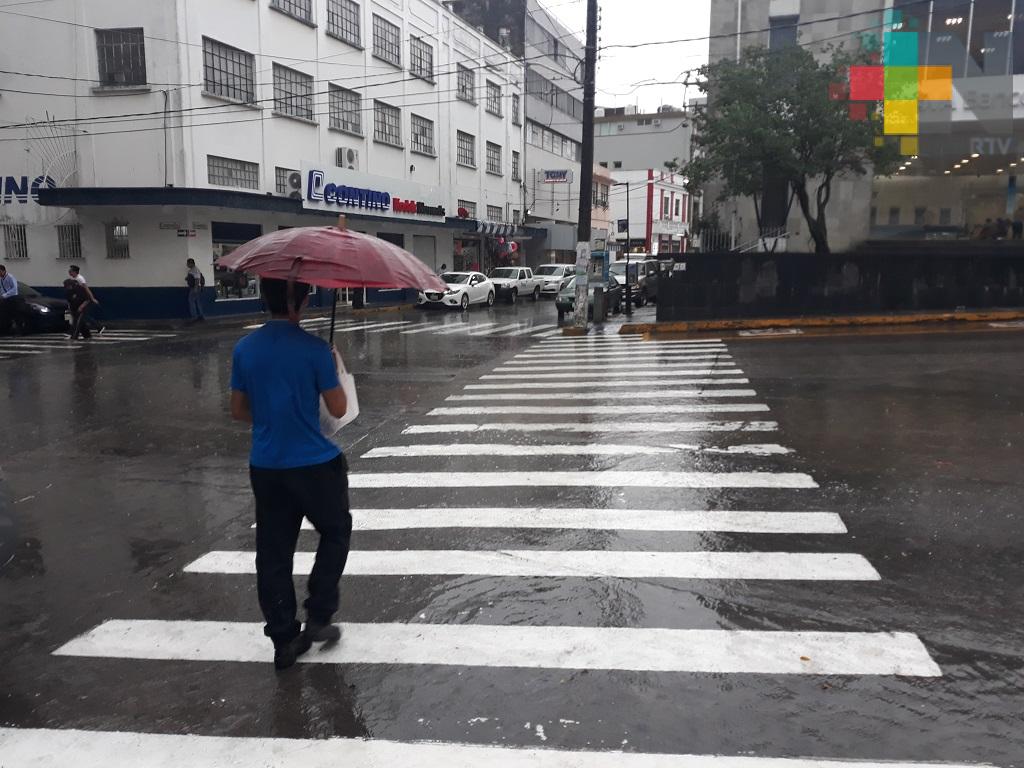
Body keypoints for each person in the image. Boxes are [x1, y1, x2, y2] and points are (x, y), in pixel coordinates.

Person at [230, 276, 352, 671]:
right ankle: (318, 613)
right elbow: (336, 410)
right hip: (315, 465)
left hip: (266, 466)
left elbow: (239, 410)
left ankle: (284, 639)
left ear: (264, 300)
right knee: (335, 531)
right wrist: (332, 368)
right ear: (301, 303)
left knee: (273, 553)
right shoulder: (315, 351)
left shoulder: (244, 349)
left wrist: (272, 420)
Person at [65, 265, 104, 336]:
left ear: (75, 272)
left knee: (81, 316)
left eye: (70, 271)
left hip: (84, 300)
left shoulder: (80, 279)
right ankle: (96, 328)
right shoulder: (75, 279)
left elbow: (86, 289)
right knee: (83, 316)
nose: (69, 273)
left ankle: (98, 327)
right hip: (80, 300)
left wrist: (92, 298)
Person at [0, 265, 23, 335]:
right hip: (5, 300)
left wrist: (5, 295)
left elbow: (14, 289)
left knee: (15, 315)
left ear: (3, 271)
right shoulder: (0, 279)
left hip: (13, 299)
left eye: (0, 272)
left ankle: (20, 331)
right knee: (5, 315)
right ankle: (6, 331)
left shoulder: (10, 277)